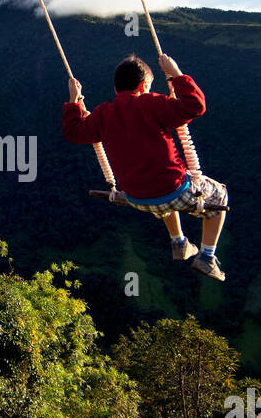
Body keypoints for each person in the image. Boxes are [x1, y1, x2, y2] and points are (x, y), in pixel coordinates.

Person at [62, 53, 228, 280]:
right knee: (219, 197)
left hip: (137, 198)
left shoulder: (103, 113)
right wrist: (177, 74)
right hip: (172, 190)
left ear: (116, 88)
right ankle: (207, 258)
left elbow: (74, 132)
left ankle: (179, 242)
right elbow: (195, 106)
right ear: (143, 86)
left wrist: (73, 101)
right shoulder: (153, 103)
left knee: (160, 185)